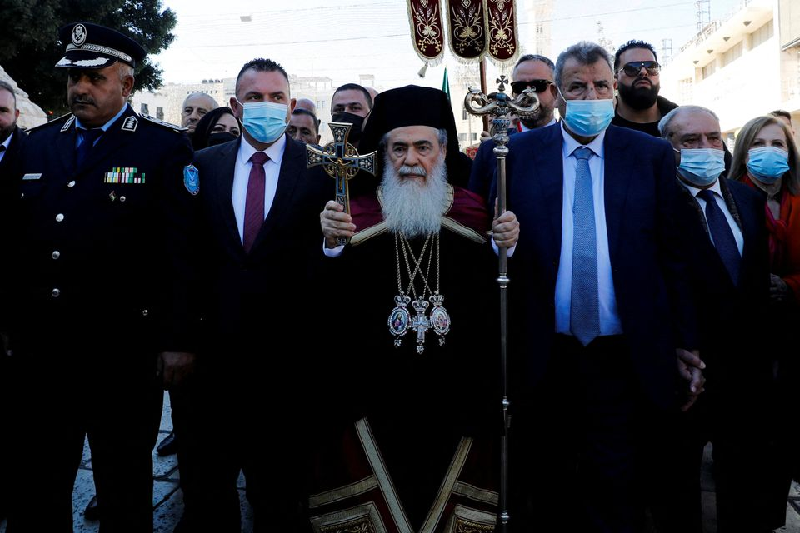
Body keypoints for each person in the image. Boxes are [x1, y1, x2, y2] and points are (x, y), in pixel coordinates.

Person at [4, 21, 198, 532]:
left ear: (127, 84)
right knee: (38, 483)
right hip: (43, 351)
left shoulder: (161, 149)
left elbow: (180, 252)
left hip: (122, 354)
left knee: (124, 486)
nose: (79, 88)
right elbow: (11, 242)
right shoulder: (38, 145)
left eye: (94, 77)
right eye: (73, 78)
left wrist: (176, 339)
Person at [504, 41, 702, 531]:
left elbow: (673, 256)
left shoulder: (650, 155)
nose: (589, 94)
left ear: (614, 89)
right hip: (546, 352)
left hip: (625, 353)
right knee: (549, 484)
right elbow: (494, 243)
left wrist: (685, 342)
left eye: (599, 85)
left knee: (618, 488)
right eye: (576, 86)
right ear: (558, 94)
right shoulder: (514, 154)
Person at [314, 84, 518, 532]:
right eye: (399, 148)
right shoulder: (351, 216)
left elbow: (495, 303)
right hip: (372, 393)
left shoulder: (475, 213)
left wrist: (508, 245)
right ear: (381, 154)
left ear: (443, 151)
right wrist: (330, 248)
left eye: (423, 147)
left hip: (454, 392)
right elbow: (328, 308)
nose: (411, 160)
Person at [177, 57, 330, 533]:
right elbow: (184, 255)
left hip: (287, 365)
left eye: (277, 98)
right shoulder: (203, 166)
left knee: (281, 496)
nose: (267, 106)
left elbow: (333, 262)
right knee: (207, 493)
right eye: (256, 98)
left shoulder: (323, 169)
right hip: (211, 363)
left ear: (290, 105)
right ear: (235, 106)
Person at [656, 105, 772, 533]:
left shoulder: (747, 199)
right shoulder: (655, 203)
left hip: (747, 373)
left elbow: (754, 286)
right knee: (679, 491)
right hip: (687, 369)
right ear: (667, 150)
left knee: (743, 486)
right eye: (690, 141)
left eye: (712, 137)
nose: (706, 148)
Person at [729, 114, 800, 532]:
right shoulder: (730, 198)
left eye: (779, 144)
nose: (770, 153)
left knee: (784, 440)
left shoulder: (797, 203)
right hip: (745, 338)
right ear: (744, 151)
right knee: (744, 443)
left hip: (792, 334)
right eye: (760, 143)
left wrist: (789, 286)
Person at [468, 53, 558, 205]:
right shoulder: (490, 150)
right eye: (520, 87)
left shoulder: (571, 145)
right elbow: (475, 213)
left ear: (555, 92)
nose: (528, 94)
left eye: (538, 86)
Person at [611, 40, 677, 137]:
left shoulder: (681, 122)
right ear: (615, 79)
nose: (643, 72)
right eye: (632, 68)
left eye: (651, 67)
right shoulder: (600, 127)